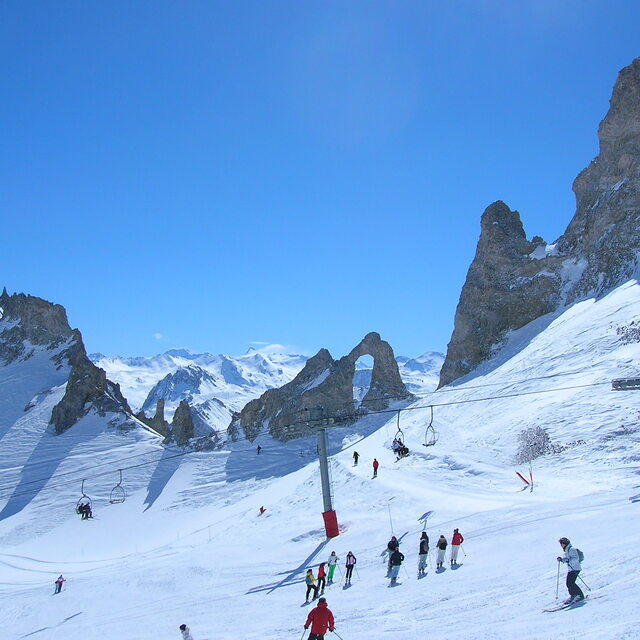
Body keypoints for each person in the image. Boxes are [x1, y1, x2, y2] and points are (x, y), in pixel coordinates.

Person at [557, 537, 584, 604]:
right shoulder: (567, 550)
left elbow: (576, 558)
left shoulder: (571, 549)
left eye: (561, 544)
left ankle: (578, 595)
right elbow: (567, 558)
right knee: (569, 583)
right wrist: (562, 559)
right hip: (571, 568)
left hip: (575, 568)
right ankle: (574, 595)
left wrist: (568, 560)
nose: (561, 545)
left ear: (565, 543)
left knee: (570, 583)